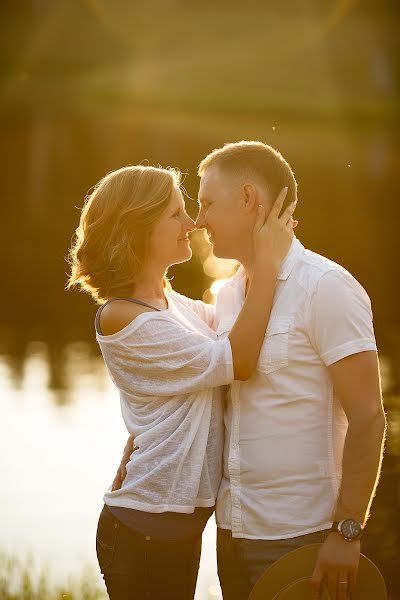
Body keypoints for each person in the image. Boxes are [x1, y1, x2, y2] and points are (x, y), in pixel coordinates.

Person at [115, 142, 386, 600]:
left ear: (247, 199)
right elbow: (185, 371)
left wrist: (347, 532)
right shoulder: (227, 297)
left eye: (206, 204)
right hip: (232, 537)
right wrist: (138, 443)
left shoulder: (326, 287)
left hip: (304, 537)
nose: (198, 220)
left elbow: (369, 418)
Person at [66, 164, 296, 600]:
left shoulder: (173, 306)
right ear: (138, 227)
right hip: (144, 534)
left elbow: (238, 318)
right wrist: (265, 265)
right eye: (176, 214)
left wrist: (259, 232)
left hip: (174, 531)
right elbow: (238, 358)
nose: (191, 223)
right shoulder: (123, 317)